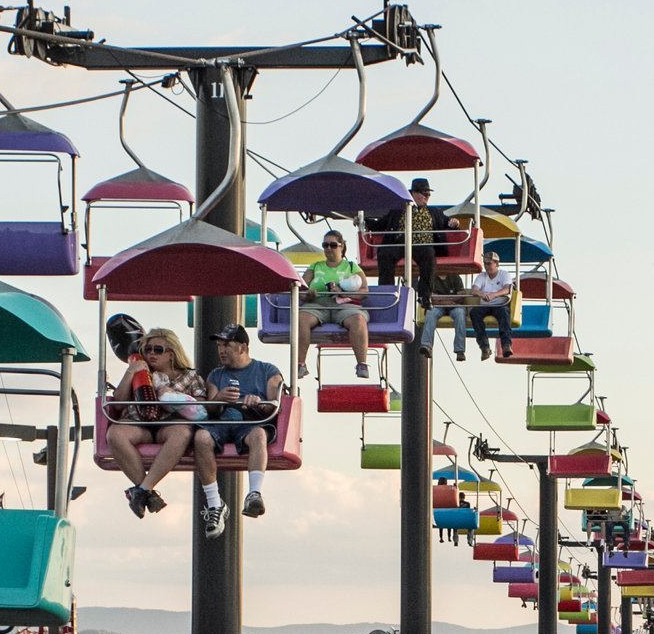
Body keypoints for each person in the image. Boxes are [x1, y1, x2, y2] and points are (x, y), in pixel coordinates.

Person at [194, 325, 285, 538]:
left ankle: (254, 493)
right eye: (219, 346)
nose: (221, 351)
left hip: (251, 420)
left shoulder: (267, 371)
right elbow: (211, 409)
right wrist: (219, 399)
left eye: (227, 345)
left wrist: (257, 403)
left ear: (243, 347)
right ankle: (215, 503)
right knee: (201, 437)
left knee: (259, 435)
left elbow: (274, 406)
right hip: (223, 421)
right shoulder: (216, 375)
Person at [106, 328, 206, 519]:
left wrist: (173, 396)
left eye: (158, 350)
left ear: (171, 354)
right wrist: (131, 372)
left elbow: (201, 406)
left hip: (169, 424)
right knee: (115, 434)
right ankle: (147, 492)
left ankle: (142, 489)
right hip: (138, 423)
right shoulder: (141, 374)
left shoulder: (189, 377)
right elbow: (118, 402)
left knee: (182, 433)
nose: (151, 353)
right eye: (148, 349)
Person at [365, 178, 461, 317]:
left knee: (428, 255)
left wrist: (454, 223)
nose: (427, 197)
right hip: (400, 243)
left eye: (429, 194)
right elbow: (380, 224)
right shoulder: (398, 211)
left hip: (422, 245)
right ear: (414, 193)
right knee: (385, 254)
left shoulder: (433, 212)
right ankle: (387, 292)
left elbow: (448, 223)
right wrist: (364, 222)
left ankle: (424, 295)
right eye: (424, 193)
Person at [295, 231, 373, 378]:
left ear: (341, 246)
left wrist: (343, 292)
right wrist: (308, 294)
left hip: (344, 304)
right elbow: (301, 288)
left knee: (358, 319)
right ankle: (301, 364)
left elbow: (364, 291)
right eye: (325, 245)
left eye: (332, 245)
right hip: (317, 304)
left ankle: (362, 364)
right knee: (301, 319)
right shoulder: (315, 266)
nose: (328, 249)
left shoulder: (351, 267)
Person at [467, 252, 517, 360]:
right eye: (485, 264)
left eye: (489, 264)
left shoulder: (504, 274)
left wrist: (493, 295)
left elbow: (507, 289)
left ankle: (506, 345)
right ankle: (484, 347)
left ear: (496, 264)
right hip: (485, 305)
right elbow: (474, 289)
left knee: (504, 313)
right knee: (474, 313)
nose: (487, 266)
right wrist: (482, 294)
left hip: (500, 304)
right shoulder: (482, 276)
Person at [419, 268, 470, 357]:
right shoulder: (430, 278)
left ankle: (460, 350)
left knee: (460, 314)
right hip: (439, 306)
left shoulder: (455, 276)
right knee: (431, 313)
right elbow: (430, 298)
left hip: (454, 306)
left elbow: (461, 295)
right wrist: (449, 300)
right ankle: (426, 345)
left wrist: (440, 298)